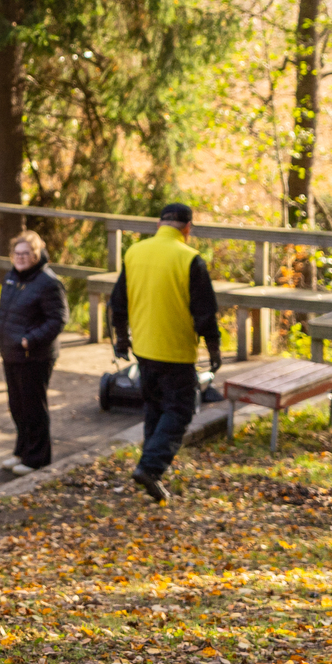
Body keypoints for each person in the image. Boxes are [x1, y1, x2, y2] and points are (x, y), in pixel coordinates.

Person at [109, 202, 221, 503]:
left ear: (159, 225)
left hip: (144, 349)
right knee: (180, 411)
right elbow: (205, 313)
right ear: (187, 228)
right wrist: (214, 348)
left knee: (155, 409)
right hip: (176, 351)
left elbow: (117, 303)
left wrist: (122, 340)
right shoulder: (190, 259)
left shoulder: (134, 253)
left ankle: (149, 468)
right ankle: (150, 468)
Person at [0, 230, 68, 477]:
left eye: (26, 253)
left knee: (33, 408)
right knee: (17, 406)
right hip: (10, 352)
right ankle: (22, 451)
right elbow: (5, 310)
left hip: (34, 356)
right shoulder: (12, 277)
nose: (21, 257)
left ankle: (37, 459)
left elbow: (58, 319)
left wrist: (29, 341)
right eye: (17, 253)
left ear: (36, 254)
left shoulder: (48, 282)